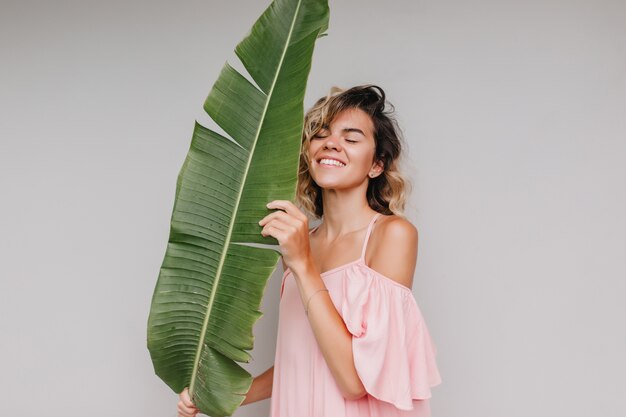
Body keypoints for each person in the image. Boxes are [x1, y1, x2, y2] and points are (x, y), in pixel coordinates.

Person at [177, 85, 442, 417]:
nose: (330, 143)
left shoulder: (392, 235)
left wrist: (302, 264)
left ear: (376, 164)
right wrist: (220, 395)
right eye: (321, 133)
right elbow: (303, 361)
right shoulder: (302, 243)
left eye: (351, 137)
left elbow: (354, 380)